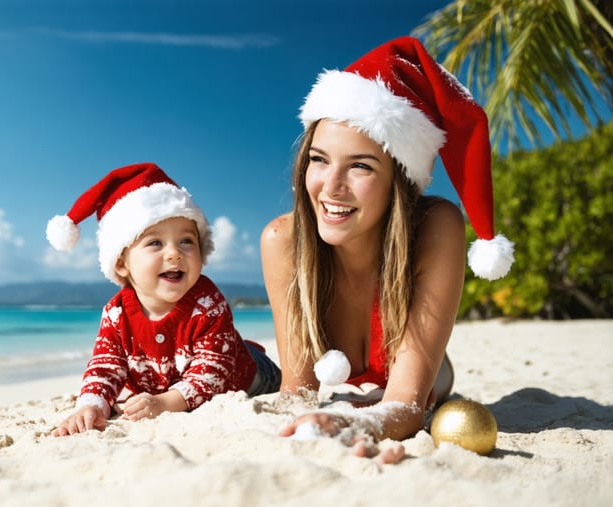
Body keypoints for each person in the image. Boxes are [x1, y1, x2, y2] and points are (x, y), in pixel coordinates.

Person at [260, 37, 514, 457]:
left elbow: (407, 405)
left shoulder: (436, 228)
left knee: (428, 381)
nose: (331, 186)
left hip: (427, 374)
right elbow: (298, 390)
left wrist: (358, 421)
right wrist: (310, 421)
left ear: (401, 181)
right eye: (319, 160)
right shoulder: (283, 241)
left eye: (360, 165)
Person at [46, 162, 281, 436]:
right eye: (155, 243)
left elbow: (211, 373)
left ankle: (247, 350)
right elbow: (105, 365)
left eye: (186, 241)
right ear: (121, 264)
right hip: (177, 378)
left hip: (249, 374)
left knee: (269, 375)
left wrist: (164, 403)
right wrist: (92, 405)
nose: (174, 253)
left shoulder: (208, 303)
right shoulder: (116, 313)